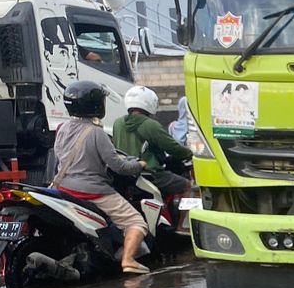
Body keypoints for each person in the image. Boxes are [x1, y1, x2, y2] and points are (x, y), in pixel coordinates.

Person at [51, 80, 151, 274]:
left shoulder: (62, 128)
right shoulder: (98, 133)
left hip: (62, 187)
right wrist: (138, 164)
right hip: (93, 191)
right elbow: (119, 166)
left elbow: (61, 156)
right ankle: (129, 260)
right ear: (96, 104)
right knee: (136, 223)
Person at [111, 85, 193, 195]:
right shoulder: (150, 125)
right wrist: (190, 153)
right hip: (150, 174)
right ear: (150, 103)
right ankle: (181, 212)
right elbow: (173, 148)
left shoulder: (118, 122)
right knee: (187, 185)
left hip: (125, 174)